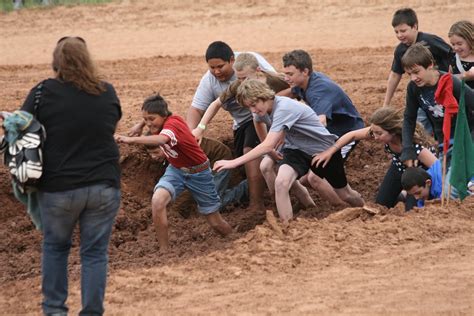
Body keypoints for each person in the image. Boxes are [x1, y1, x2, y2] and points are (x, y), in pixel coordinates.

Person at [19, 37, 122, 315]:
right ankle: (91, 312)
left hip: (58, 187)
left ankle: (54, 310)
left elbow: (22, 127)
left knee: (55, 248)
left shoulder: (42, 92)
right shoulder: (107, 91)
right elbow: (111, 121)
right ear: (88, 59)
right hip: (103, 184)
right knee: (95, 253)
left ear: (56, 62)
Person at [213, 79, 364, 225]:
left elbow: (267, 145)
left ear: (263, 96)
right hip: (296, 149)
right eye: (249, 107)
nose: (253, 110)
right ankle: (287, 228)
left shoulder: (284, 107)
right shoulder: (260, 110)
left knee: (345, 193)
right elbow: (258, 123)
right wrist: (271, 150)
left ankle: (363, 211)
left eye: (253, 105)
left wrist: (233, 162)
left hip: (323, 150)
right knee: (281, 183)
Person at [115, 94, 233, 252]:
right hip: (176, 170)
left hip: (199, 173)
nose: (149, 123)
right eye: (146, 119)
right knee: (157, 201)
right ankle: (165, 251)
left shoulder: (173, 125)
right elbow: (152, 117)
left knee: (215, 222)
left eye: (152, 119)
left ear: (164, 115)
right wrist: (140, 124)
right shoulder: (160, 119)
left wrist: (131, 140)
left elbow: (162, 140)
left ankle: (235, 243)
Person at [191, 53, 288, 212]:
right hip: (250, 122)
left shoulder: (273, 80)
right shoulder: (238, 86)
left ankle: (257, 203)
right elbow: (216, 104)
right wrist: (200, 128)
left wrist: (274, 100)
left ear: (257, 71)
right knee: (253, 159)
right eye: (239, 78)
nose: (242, 83)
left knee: (251, 151)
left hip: (272, 120)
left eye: (245, 78)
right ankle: (260, 193)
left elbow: (296, 90)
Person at [312, 107, 437, 211]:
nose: (375, 137)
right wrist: (330, 151)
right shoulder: (378, 132)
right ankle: (400, 197)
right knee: (380, 206)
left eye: (379, 133)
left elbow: (437, 167)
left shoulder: (414, 147)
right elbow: (352, 135)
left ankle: (407, 196)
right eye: (374, 132)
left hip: (417, 173)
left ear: (393, 132)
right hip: (398, 167)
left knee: (412, 212)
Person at [400, 43, 474, 167]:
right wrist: (407, 148)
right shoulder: (413, 88)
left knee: (454, 183)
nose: (413, 78)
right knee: (442, 181)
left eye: (416, 72)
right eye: (409, 74)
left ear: (430, 65)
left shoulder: (450, 82)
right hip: (443, 142)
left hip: (464, 140)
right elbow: (409, 118)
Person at [282, 49, 365, 158]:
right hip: (331, 128)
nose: (286, 78)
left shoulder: (318, 91)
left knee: (320, 169)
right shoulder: (305, 80)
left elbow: (321, 122)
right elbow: (289, 93)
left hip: (346, 133)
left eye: (290, 74)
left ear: (305, 72)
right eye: (285, 74)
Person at [146, 137, 249, 217]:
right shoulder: (171, 151)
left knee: (214, 205)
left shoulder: (182, 154)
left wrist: (176, 207)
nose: (153, 157)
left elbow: (190, 181)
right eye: (150, 154)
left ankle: (247, 186)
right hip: (204, 163)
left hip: (219, 160)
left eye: (156, 152)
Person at [185, 41, 275, 130]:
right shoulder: (226, 84)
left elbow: (278, 85)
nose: (216, 71)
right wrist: (194, 132)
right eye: (212, 68)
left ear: (232, 60)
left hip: (270, 116)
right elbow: (198, 109)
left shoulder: (251, 62)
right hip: (245, 123)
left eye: (220, 66)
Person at [383, 7, 452, 107]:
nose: (399, 35)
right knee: (420, 119)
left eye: (403, 31)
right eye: (396, 32)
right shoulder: (400, 50)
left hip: (444, 88)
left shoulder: (430, 41)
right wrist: (386, 104)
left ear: (414, 27)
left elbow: (452, 55)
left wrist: (454, 79)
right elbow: (395, 75)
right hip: (422, 93)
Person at [448, 20, 474, 89]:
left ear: (470, 40)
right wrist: (465, 76)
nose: (456, 48)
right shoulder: (454, 59)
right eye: (453, 44)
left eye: (459, 44)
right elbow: (449, 79)